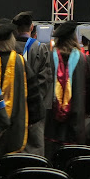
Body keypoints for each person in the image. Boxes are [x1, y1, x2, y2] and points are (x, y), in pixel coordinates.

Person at [0, 21, 43, 173]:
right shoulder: (21, 62)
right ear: (11, 39)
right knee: (8, 171)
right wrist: (32, 119)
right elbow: (33, 96)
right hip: (15, 127)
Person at [44, 22, 90, 159]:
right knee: (71, 160)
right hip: (76, 122)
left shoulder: (49, 57)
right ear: (74, 38)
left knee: (52, 160)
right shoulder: (84, 60)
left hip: (52, 123)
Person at [13, 10, 52, 157]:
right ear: (32, 27)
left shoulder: (9, 48)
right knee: (34, 145)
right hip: (35, 106)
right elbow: (45, 79)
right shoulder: (40, 48)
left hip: (14, 106)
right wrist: (35, 102)